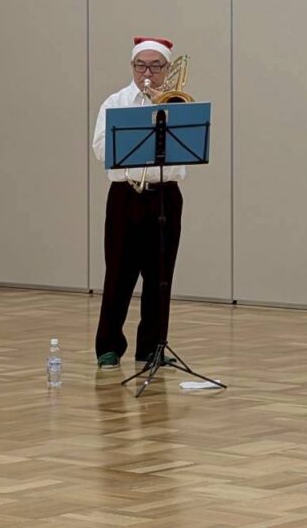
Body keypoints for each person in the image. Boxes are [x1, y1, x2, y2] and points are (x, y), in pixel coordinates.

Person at [91, 37, 186, 370]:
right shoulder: (115, 102)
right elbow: (100, 149)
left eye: (156, 66)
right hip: (126, 195)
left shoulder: (179, 105)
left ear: (168, 69)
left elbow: (187, 151)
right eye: (141, 65)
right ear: (132, 66)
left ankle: (152, 347)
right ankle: (108, 347)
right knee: (118, 272)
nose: (147, 73)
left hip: (165, 195)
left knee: (161, 275)